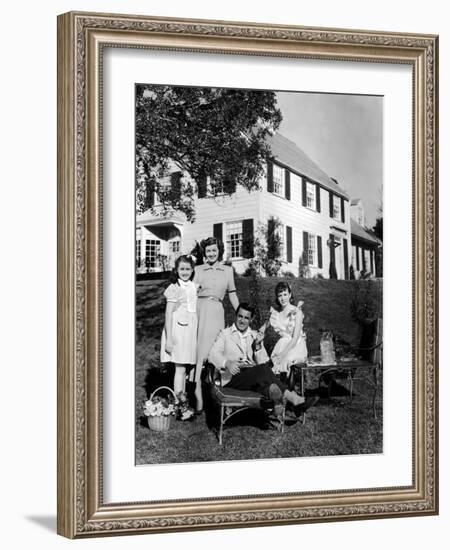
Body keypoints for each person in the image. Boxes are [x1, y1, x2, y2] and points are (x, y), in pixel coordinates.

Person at [208, 303, 306, 412]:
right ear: (235, 316)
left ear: (251, 320)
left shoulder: (255, 335)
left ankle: (278, 402)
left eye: (246, 318)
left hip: (252, 378)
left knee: (267, 383)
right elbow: (213, 354)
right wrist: (227, 363)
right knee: (263, 370)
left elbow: (263, 362)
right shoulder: (225, 334)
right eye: (240, 316)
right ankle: (292, 398)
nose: (242, 321)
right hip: (233, 378)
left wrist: (258, 346)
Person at [192, 236, 239, 414]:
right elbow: (190, 294)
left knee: (218, 355)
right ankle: (199, 402)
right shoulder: (198, 270)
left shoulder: (228, 271)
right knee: (199, 357)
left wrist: (240, 312)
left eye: (214, 250)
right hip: (200, 312)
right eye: (208, 250)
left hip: (217, 312)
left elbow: (232, 294)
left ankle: (223, 400)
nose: (211, 253)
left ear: (219, 251)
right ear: (204, 252)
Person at [160, 255, 198, 403]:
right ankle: (178, 402)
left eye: (188, 269)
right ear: (176, 270)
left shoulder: (194, 286)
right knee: (180, 368)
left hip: (189, 331)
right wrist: (169, 339)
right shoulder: (174, 288)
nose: (185, 271)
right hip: (178, 332)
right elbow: (168, 313)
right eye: (182, 269)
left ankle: (182, 399)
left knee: (184, 368)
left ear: (193, 270)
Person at [266, 281, 308, 376]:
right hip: (283, 344)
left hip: (296, 345)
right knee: (275, 363)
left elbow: (295, 338)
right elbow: (267, 323)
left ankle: (290, 386)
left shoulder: (296, 312)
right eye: (280, 295)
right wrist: (262, 329)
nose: (283, 298)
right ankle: (280, 386)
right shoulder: (277, 313)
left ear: (290, 295)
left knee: (285, 360)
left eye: (285, 294)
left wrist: (282, 354)